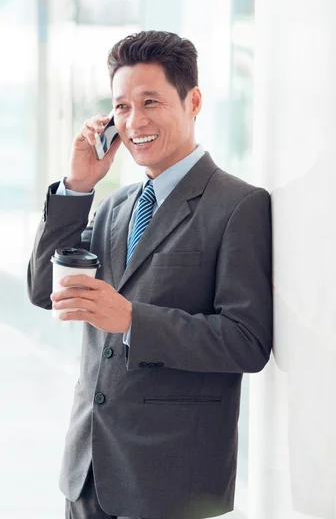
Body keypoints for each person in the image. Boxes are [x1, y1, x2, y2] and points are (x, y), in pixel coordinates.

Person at [27, 30, 273, 519]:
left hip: (170, 482)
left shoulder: (239, 206)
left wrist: (134, 320)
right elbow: (43, 290)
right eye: (121, 107)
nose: (134, 121)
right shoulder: (117, 206)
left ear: (193, 101)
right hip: (87, 473)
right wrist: (77, 187)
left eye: (150, 102)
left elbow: (247, 341)